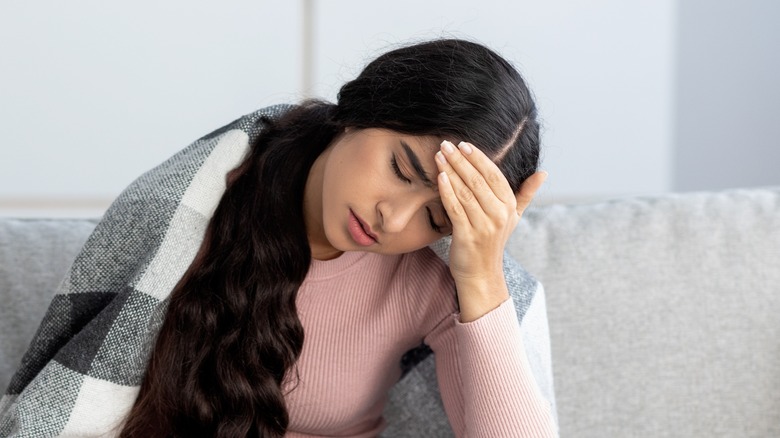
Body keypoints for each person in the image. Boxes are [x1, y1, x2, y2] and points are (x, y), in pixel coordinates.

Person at [1, 39, 556, 437]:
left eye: (437, 219)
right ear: (358, 112)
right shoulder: (203, 201)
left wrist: (482, 277)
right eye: (402, 169)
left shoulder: (435, 280)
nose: (394, 219)